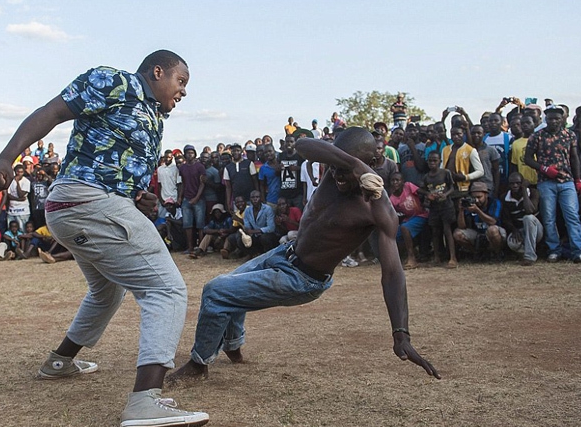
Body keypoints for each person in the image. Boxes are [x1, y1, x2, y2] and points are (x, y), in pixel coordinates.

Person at [0, 50, 208, 427]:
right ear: (157, 72)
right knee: (166, 288)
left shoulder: (154, 116)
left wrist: (142, 197)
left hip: (81, 206)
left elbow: (119, 167)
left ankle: (60, 361)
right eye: (181, 81)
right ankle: (145, 402)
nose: (183, 91)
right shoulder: (115, 81)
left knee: (107, 291)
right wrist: (6, 159)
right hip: (87, 200)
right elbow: (52, 112)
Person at [169, 127, 439, 384]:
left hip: (302, 278)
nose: (338, 176)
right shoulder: (339, 173)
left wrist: (401, 333)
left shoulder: (375, 208)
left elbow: (392, 273)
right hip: (284, 254)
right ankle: (233, 347)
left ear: (375, 160)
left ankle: (198, 365)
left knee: (216, 291)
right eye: (335, 165)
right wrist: (353, 165)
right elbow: (302, 144)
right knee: (230, 285)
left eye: (346, 169)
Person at [524, 105, 581, 264]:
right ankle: (554, 250)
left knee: (572, 216)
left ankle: (578, 251)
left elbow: (574, 158)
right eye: (550, 118)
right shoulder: (537, 136)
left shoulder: (569, 135)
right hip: (546, 182)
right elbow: (527, 158)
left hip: (567, 181)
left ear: (563, 119)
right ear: (545, 119)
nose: (554, 121)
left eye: (557, 118)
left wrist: (578, 180)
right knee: (549, 218)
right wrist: (544, 169)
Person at [422, 151, 458, 268]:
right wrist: (428, 195)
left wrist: (445, 195)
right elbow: (423, 190)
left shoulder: (445, 173)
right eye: (430, 161)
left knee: (447, 230)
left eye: (435, 161)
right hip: (434, 207)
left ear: (440, 162)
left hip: (446, 206)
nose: (432, 163)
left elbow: (452, 187)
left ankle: (453, 258)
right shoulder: (426, 177)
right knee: (435, 232)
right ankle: (437, 257)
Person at [454, 182, 505, 260]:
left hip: (496, 233)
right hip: (478, 233)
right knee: (458, 234)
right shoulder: (471, 203)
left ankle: (497, 254)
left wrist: (477, 211)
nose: (477, 200)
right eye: (474, 197)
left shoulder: (494, 202)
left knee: (492, 230)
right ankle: (477, 253)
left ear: (486, 195)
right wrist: (461, 210)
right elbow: (462, 227)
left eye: (479, 197)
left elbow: (493, 222)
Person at [501, 173, 542, 265]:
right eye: (512, 183)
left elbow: (530, 210)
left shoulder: (533, 192)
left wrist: (524, 190)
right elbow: (506, 219)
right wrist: (514, 230)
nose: (515, 185)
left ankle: (530, 257)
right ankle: (525, 252)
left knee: (528, 218)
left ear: (522, 183)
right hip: (520, 230)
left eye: (518, 183)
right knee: (512, 243)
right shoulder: (505, 198)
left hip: (536, 230)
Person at [390, 173, 427, 270]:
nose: (395, 183)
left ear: (402, 181)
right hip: (408, 219)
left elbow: (421, 191)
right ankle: (413, 251)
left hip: (421, 215)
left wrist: (429, 195)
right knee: (393, 235)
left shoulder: (408, 186)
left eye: (397, 180)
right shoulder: (392, 199)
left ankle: (412, 258)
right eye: (393, 180)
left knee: (404, 228)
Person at [177, 144, 206, 253]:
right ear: (184, 155)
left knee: (200, 225)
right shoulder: (183, 168)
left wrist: (197, 197)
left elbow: (202, 184)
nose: (190, 155)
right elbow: (183, 184)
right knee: (187, 224)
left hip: (199, 199)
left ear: (195, 154)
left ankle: (201, 248)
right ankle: (190, 247)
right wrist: (180, 197)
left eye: (191, 153)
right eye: (187, 153)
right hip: (186, 199)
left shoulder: (200, 167)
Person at [7, 164, 31, 229]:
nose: (19, 174)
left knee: (22, 229)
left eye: (21, 172)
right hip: (12, 210)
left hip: (23, 211)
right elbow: (8, 195)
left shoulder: (26, 181)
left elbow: (21, 194)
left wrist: (17, 183)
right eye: (18, 172)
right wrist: (19, 199)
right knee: (11, 228)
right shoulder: (10, 181)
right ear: (15, 171)